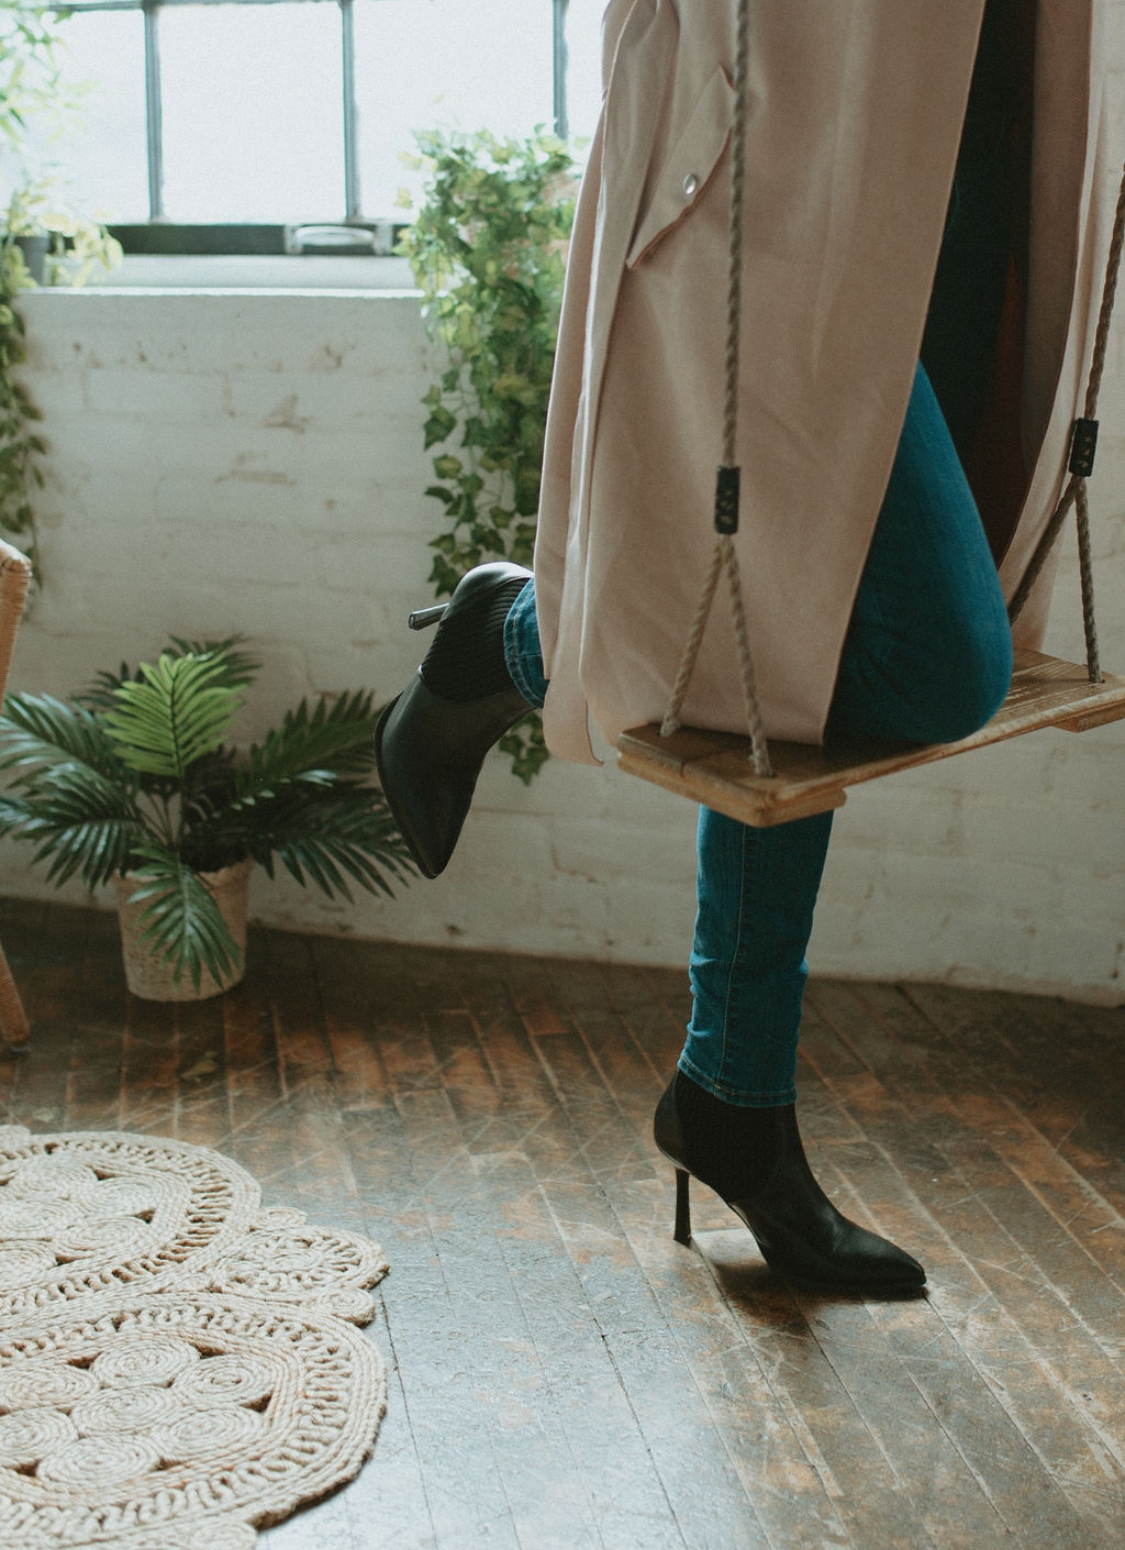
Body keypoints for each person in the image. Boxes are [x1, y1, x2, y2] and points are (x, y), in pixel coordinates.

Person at [377, 0, 1111, 1292]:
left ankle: (734, 1089)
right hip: (807, 134)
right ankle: (512, 640)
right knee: (938, 660)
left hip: (979, 99)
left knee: (803, 624)